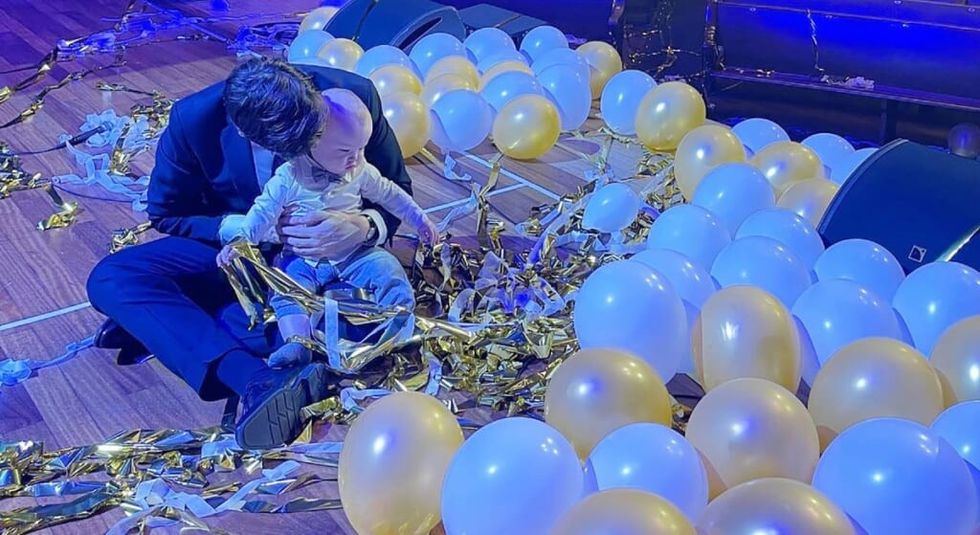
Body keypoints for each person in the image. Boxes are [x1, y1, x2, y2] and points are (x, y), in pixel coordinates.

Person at [86, 57, 412, 450]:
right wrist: (248, 229)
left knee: (366, 324)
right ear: (244, 130)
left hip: (335, 262)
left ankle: (172, 325)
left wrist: (363, 227)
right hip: (239, 252)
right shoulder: (193, 120)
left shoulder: (352, 98)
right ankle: (256, 380)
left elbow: (398, 189)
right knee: (110, 278)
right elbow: (167, 212)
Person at [216, 88, 438, 373]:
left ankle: (400, 326)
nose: (356, 159)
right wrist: (241, 242)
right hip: (301, 258)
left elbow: (390, 193)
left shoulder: (360, 170)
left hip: (355, 252)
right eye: (345, 151)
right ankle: (298, 343)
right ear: (310, 142)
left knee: (388, 269)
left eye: (361, 149)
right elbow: (262, 213)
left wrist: (419, 220)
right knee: (285, 291)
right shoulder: (288, 177)